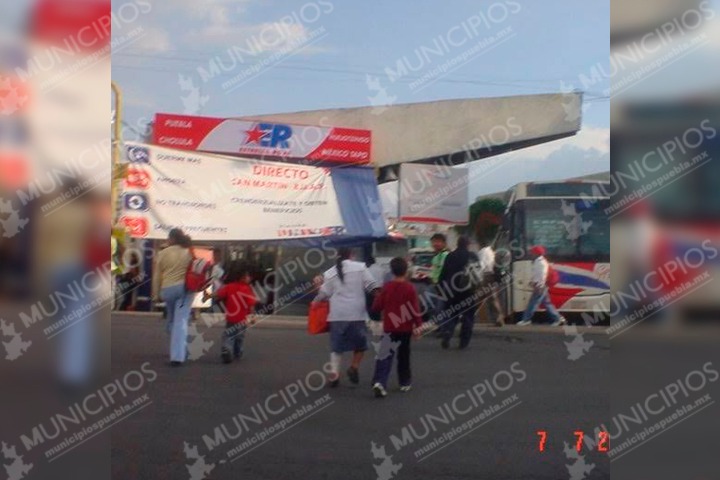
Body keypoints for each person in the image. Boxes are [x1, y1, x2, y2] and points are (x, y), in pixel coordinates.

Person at [313, 247, 379, 387]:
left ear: (337, 255)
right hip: (357, 313)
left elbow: (324, 294)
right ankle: (354, 367)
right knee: (360, 345)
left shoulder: (330, 272)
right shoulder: (360, 267)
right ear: (352, 255)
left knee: (337, 346)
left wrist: (316, 297)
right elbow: (372, 287)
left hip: (337, 314)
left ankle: (334, 374)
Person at [370, 257, 423, 397]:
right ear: (406, 271)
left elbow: (376, 306)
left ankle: (379, 382)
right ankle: (404, 382)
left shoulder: (386, 287)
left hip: (389, 327)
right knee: (404, 356)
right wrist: (418, 326)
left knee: (384, 356)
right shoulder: (410, 288)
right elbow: (415, 309)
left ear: (392, 271)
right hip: (405, 328)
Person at [152, 228, 193, 366]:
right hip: (184, 290)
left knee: (172, 319)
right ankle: (177, 356)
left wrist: (156, 294)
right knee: (180, 321)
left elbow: (157, 275)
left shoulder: (163, 253)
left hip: (167, 290)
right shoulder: (188, 252)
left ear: (171, 239)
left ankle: (180, 346)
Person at [203, 261, 257, 363]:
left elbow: (218, 294)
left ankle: (226, 349)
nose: (250, 278)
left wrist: (208, 296)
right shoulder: (247, 289)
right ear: (243, 277)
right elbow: (251, 304)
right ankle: (238, 352)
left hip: (231, 318)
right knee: (240, 337)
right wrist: (253, 316)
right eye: (248, 276)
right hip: (242, 319)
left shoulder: (229, 286)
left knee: (229, 335)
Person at [438, 236, 479, 349]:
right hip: (468, 291)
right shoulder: (473, 256)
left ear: (457, 244)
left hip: (451, 290)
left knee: (451, 314)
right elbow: (478, 274)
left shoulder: (450, 256)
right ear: (468, 244)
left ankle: (447, 332)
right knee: (468, 316)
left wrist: (440, 288)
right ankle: (463, 341)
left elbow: (443, 273)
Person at [517, 245, 567, 326]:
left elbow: (541, 275)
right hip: (542, 285)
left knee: (533, 303)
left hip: (540, 286)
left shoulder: (540, 263)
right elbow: (538, 274)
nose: (530, 254)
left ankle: (526, 319)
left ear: (536, 253)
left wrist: (538, 285)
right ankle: (558, 318)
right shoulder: (539, 261)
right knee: (547, 303)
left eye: (532, 252)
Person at [477, 241, 505, 327]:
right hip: (492, 276)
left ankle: (466, 315)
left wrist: (478, 278)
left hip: (486, 276)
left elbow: (481, 265)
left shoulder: (483, 252)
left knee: (481, 297)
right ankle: (498, 318)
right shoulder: (491, 251)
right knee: (490, 297)